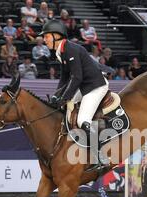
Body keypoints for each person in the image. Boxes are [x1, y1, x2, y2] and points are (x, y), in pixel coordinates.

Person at [40, 20, 109, 171]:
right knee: (65, 107)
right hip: (84, 85)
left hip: (95, 86)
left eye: (46, 36)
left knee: (83, 119)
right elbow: (65, 78)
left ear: (56, 36)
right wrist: (56, 96)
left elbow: (76, 77)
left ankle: (100, 156)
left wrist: (64, 97)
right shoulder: (61, 52)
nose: (44, 39)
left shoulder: (69, 49)